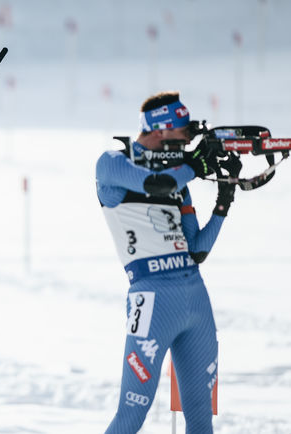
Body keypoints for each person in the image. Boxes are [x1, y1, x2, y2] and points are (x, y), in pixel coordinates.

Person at [96, 91, 240, 433]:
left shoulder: (179, 179)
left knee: (200, 416)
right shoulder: (113, 161)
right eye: (183, 135)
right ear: (160, 130)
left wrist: (225, 196)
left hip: (195, 297)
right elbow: (154, 184)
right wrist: (195, 165)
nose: (187, 143)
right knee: (133, 413)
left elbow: (197, 250)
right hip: (152, 299)